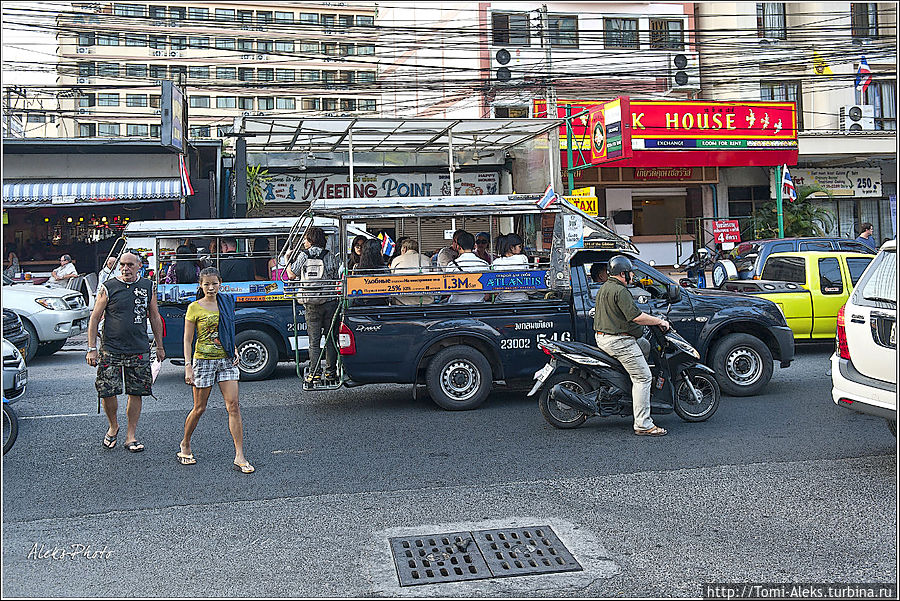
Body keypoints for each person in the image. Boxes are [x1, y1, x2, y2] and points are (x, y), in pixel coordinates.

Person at [86, 252, 164, 453]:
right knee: (107, 391)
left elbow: (154, 317)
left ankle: (131, 435)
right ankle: (113, 426)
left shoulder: (148, 286)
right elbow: (94, 318)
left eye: (130, 264)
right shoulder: (109, 287)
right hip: (111, 348)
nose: (125, 268)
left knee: (136, 392)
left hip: (138, 348)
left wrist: (159, 346)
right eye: (122, 265)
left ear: (139, 266)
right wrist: (91, 348)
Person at [179, 267, 254, 473]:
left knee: (234, 406)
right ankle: (185, 443)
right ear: (200, 285)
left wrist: (235, 348)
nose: (211, 287)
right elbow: (187, 339)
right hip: (203, 361)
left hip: (226, 360)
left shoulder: (226, 302)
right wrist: (188, 367)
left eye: (214, 283)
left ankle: (239, 455)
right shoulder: (194, 307)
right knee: (199, 408)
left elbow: (229, 330)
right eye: (206, 284)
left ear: (220, 283)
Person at [594, 255, 671, 437]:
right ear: (623, 273)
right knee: (643, 378)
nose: (632, 276)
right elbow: (636, 316)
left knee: (644, 345)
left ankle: (632, 391)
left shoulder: (605, 287)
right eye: (630, 273)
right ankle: (643, 424)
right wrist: (658, 321)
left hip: (605, 337)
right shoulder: (620, 291)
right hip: (618, 341)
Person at [287, 226, 341, 383]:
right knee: (330, 338)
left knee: (314, 340)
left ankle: (315, 373)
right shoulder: (330, 255)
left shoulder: (304, 256)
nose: (304, 242)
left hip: (311, 302)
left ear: (311, 240)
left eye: (305, 239)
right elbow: (336, 275)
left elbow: (291, 275)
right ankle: (331, 372)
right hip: (329, 301)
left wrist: (287, 260)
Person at [445, 231, 489, 304]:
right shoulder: (484, 264)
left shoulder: (451, 266)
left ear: (458, 246)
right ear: (474, 246)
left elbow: (448, 291)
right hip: (478, 304)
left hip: (456, 304)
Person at [390, 238, 434, 306]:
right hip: (425, 301)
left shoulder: (397, 260)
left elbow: (392, 275)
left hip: (402, 301)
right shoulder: (426, 259)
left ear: (404, 249)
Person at [350, 238, 391, 307]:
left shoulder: (357, 268)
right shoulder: (385, 269)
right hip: (380, 305)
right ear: (379, 252)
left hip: (360, 305)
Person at [491, 233, 529, 302]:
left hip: (503, 300)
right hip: (521, 299)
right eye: (519, 246)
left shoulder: (496, 262)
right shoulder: (522, 258)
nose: (521, 249)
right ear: (512, 247)